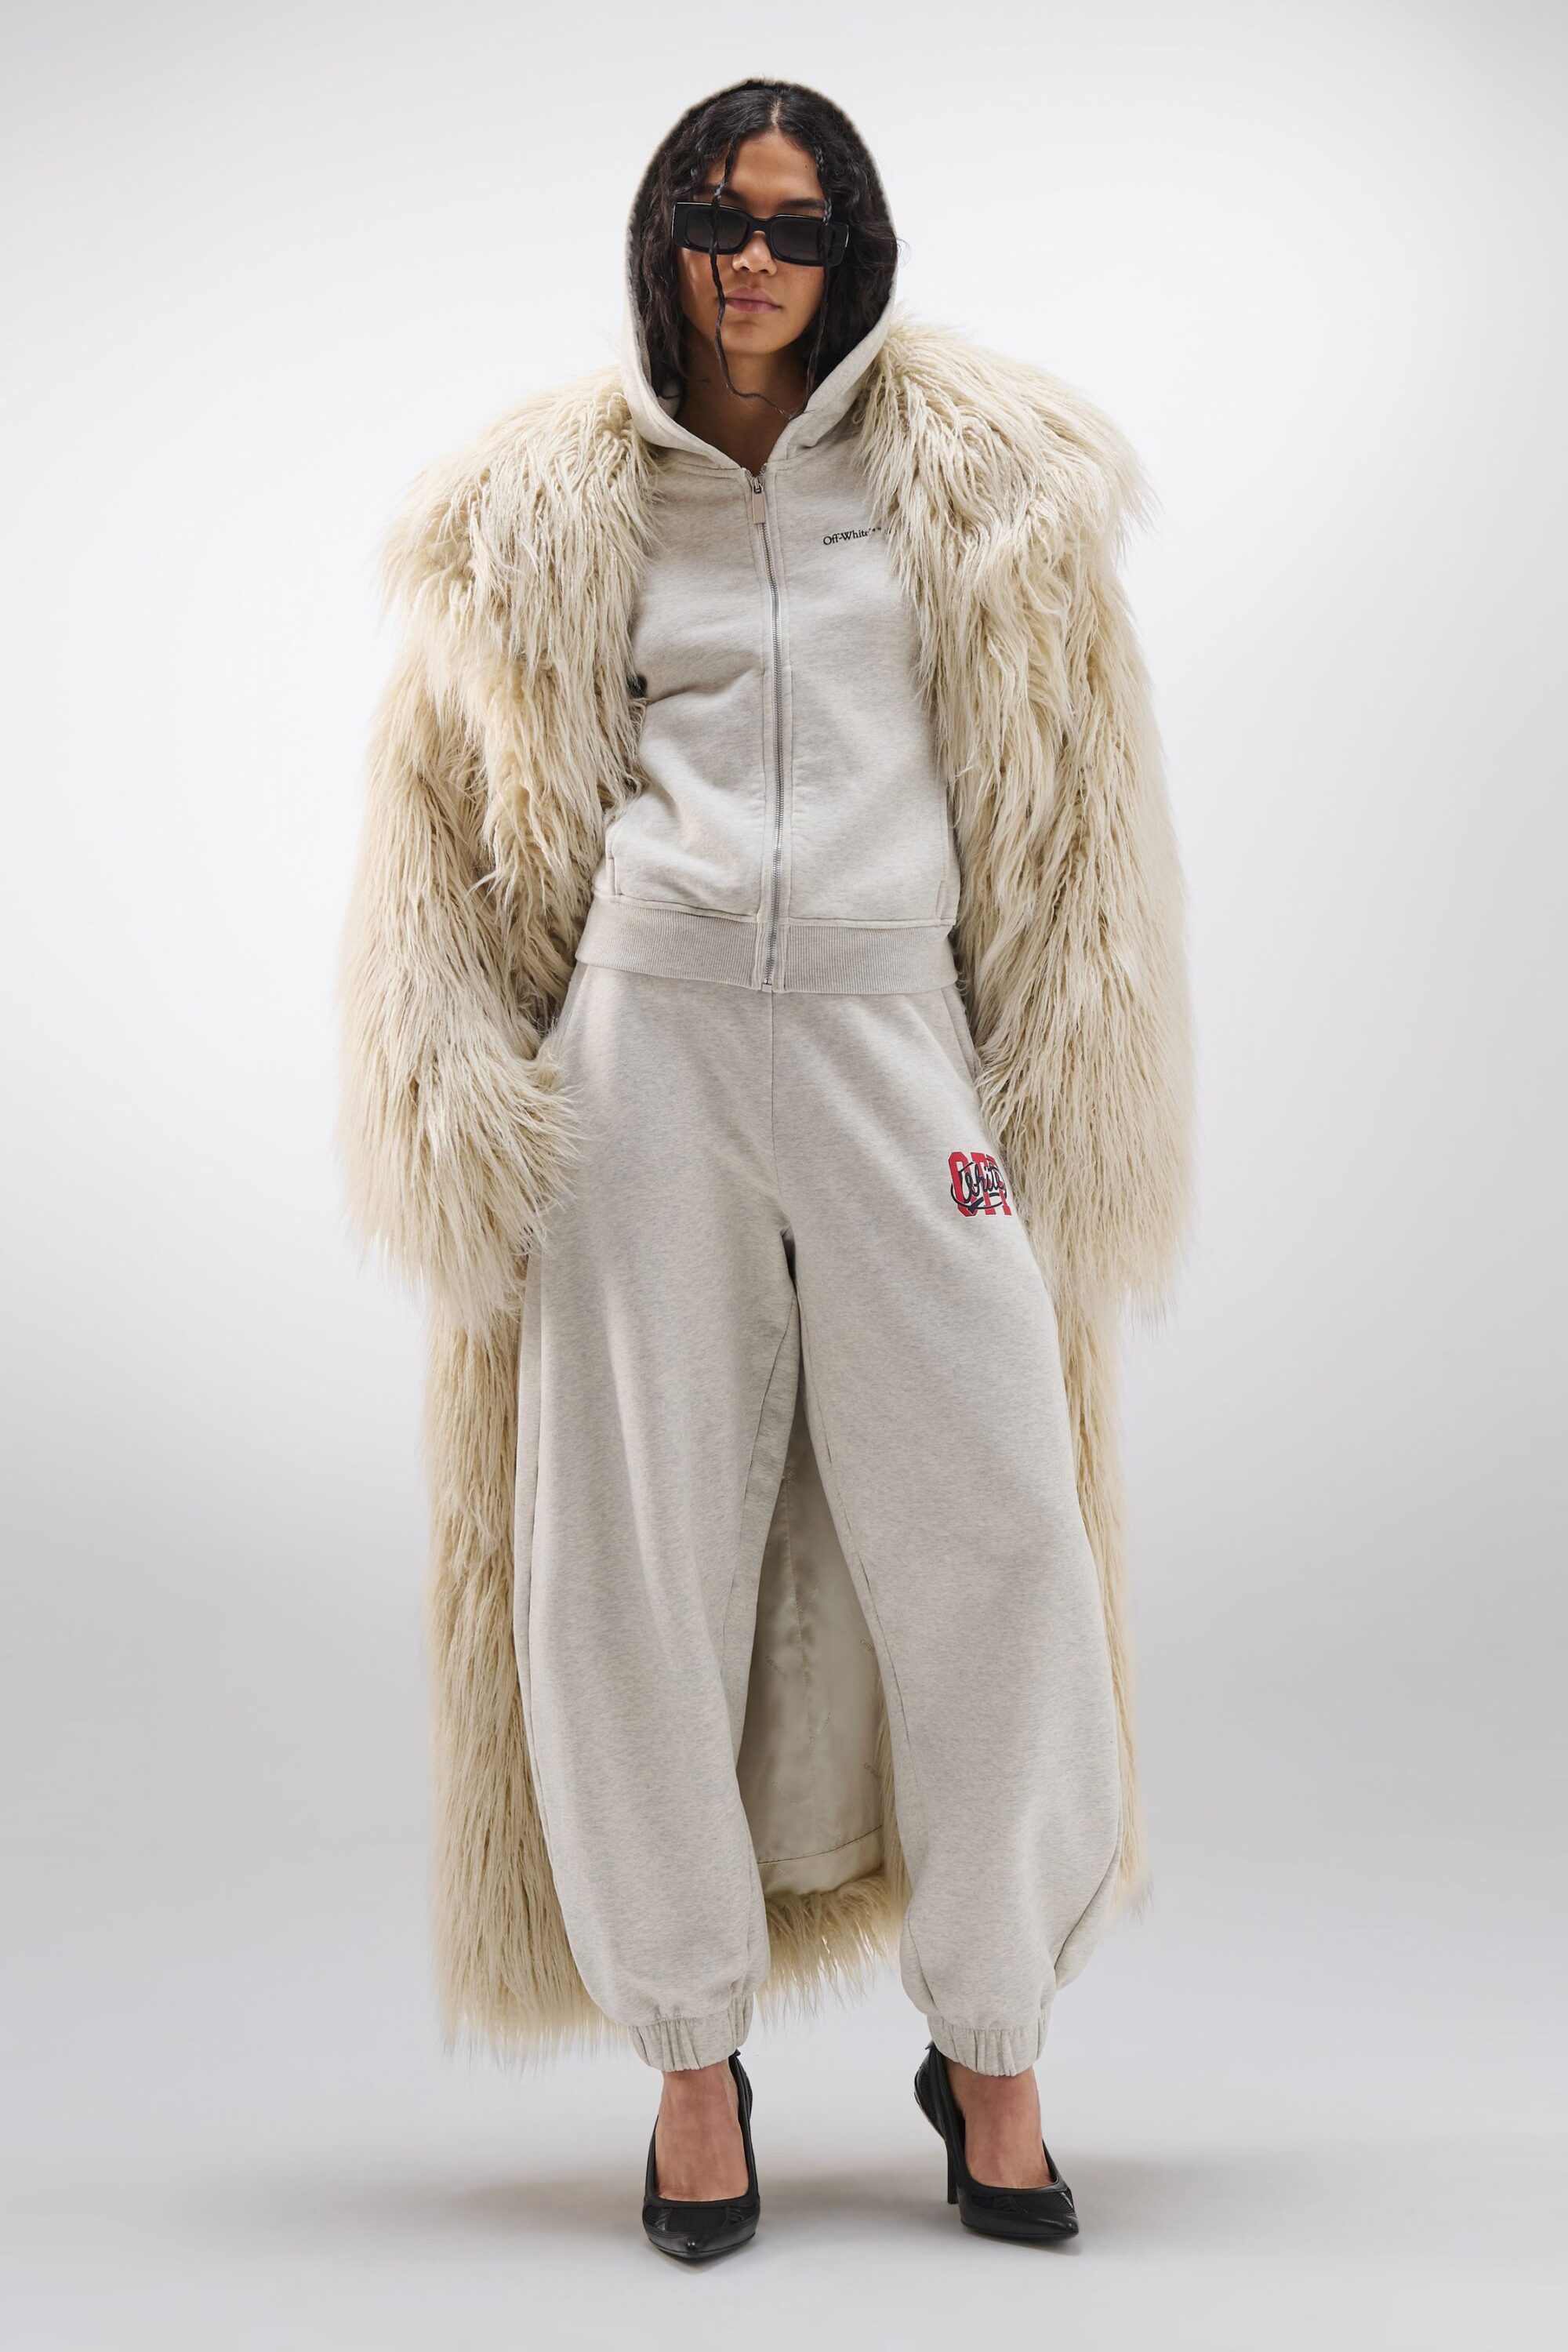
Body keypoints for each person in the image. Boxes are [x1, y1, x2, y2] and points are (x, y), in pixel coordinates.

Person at [336, 77, 1194, 2261]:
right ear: (667, 234)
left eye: (795, 227)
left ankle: (993, 2039)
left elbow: (1072, 815)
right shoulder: (554, 504)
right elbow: (445, 822)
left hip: (904, 1038)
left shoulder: (970, 483)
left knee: (1004, 1528)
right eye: (718, 217)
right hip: (654, 1043)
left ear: (851, 254)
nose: (751, 260)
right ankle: (689, 2061)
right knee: (627, 1555)